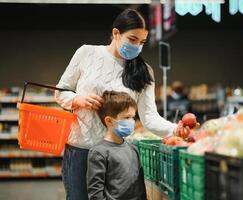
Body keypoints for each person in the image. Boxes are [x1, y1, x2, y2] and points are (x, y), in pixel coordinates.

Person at [55, 8, 190, 200]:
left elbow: (149, 117)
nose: (137, 47)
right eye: (132, 40)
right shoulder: (86, 53)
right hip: (81, 151)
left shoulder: (144, 71)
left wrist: (176, 129)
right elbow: (61, 90)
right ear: (116, 33)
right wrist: (77, 99)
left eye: (142, 42)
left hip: (117, 155)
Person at [87, 90, 146, 200]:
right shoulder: (99, 153)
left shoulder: (133, 149)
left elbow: (140, 187)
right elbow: (95, 194)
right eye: (127, 118)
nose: (132, 122)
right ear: (109, 121)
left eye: (133, 117)